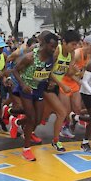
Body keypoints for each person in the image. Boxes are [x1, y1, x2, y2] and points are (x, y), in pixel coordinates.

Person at [11, 32, 58, 161]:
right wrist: (22, 84)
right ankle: (26, 150)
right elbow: (14, 70)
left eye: (55, 47)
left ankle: (17, 122)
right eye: (51, 46)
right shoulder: (30, 57)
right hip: (27, 89)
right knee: (31, 118)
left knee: (38, 119)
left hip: (40, 89)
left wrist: (50, 82)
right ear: (44, 44)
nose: (53, 49)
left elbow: (46, 73)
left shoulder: (51, 58)